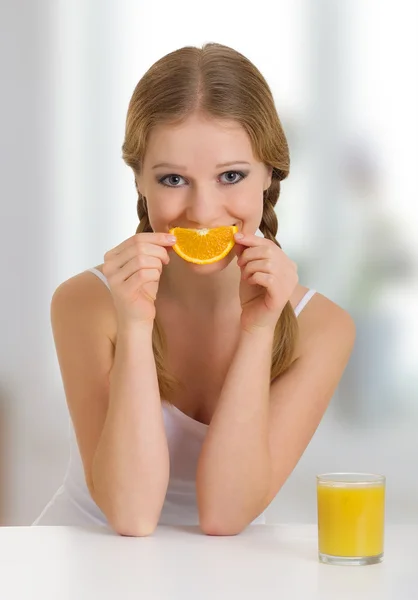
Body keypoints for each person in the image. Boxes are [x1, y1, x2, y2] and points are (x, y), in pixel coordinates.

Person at [32, 42, 355, 536]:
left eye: (231, 176)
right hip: (83, 562)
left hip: (222, 578)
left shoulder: (322, 327)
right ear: (139, 180)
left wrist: (259, 328)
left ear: (270, 174)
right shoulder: (85, 302)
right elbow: (132, 516)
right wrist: (135, 325)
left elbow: (225, 516)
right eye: (174, 178)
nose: (203, 212)